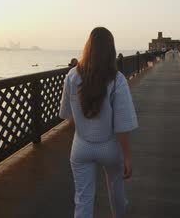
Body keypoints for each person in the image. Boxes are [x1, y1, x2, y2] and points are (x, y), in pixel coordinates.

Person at [59, 27, 138, 218]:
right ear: (110, 50)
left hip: (81, 146)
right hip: (109, 147)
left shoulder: (72, 75)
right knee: (116, 190)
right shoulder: (117, 80)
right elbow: (122, 124)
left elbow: (67, 114)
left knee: (83, 199)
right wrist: (127, 156)